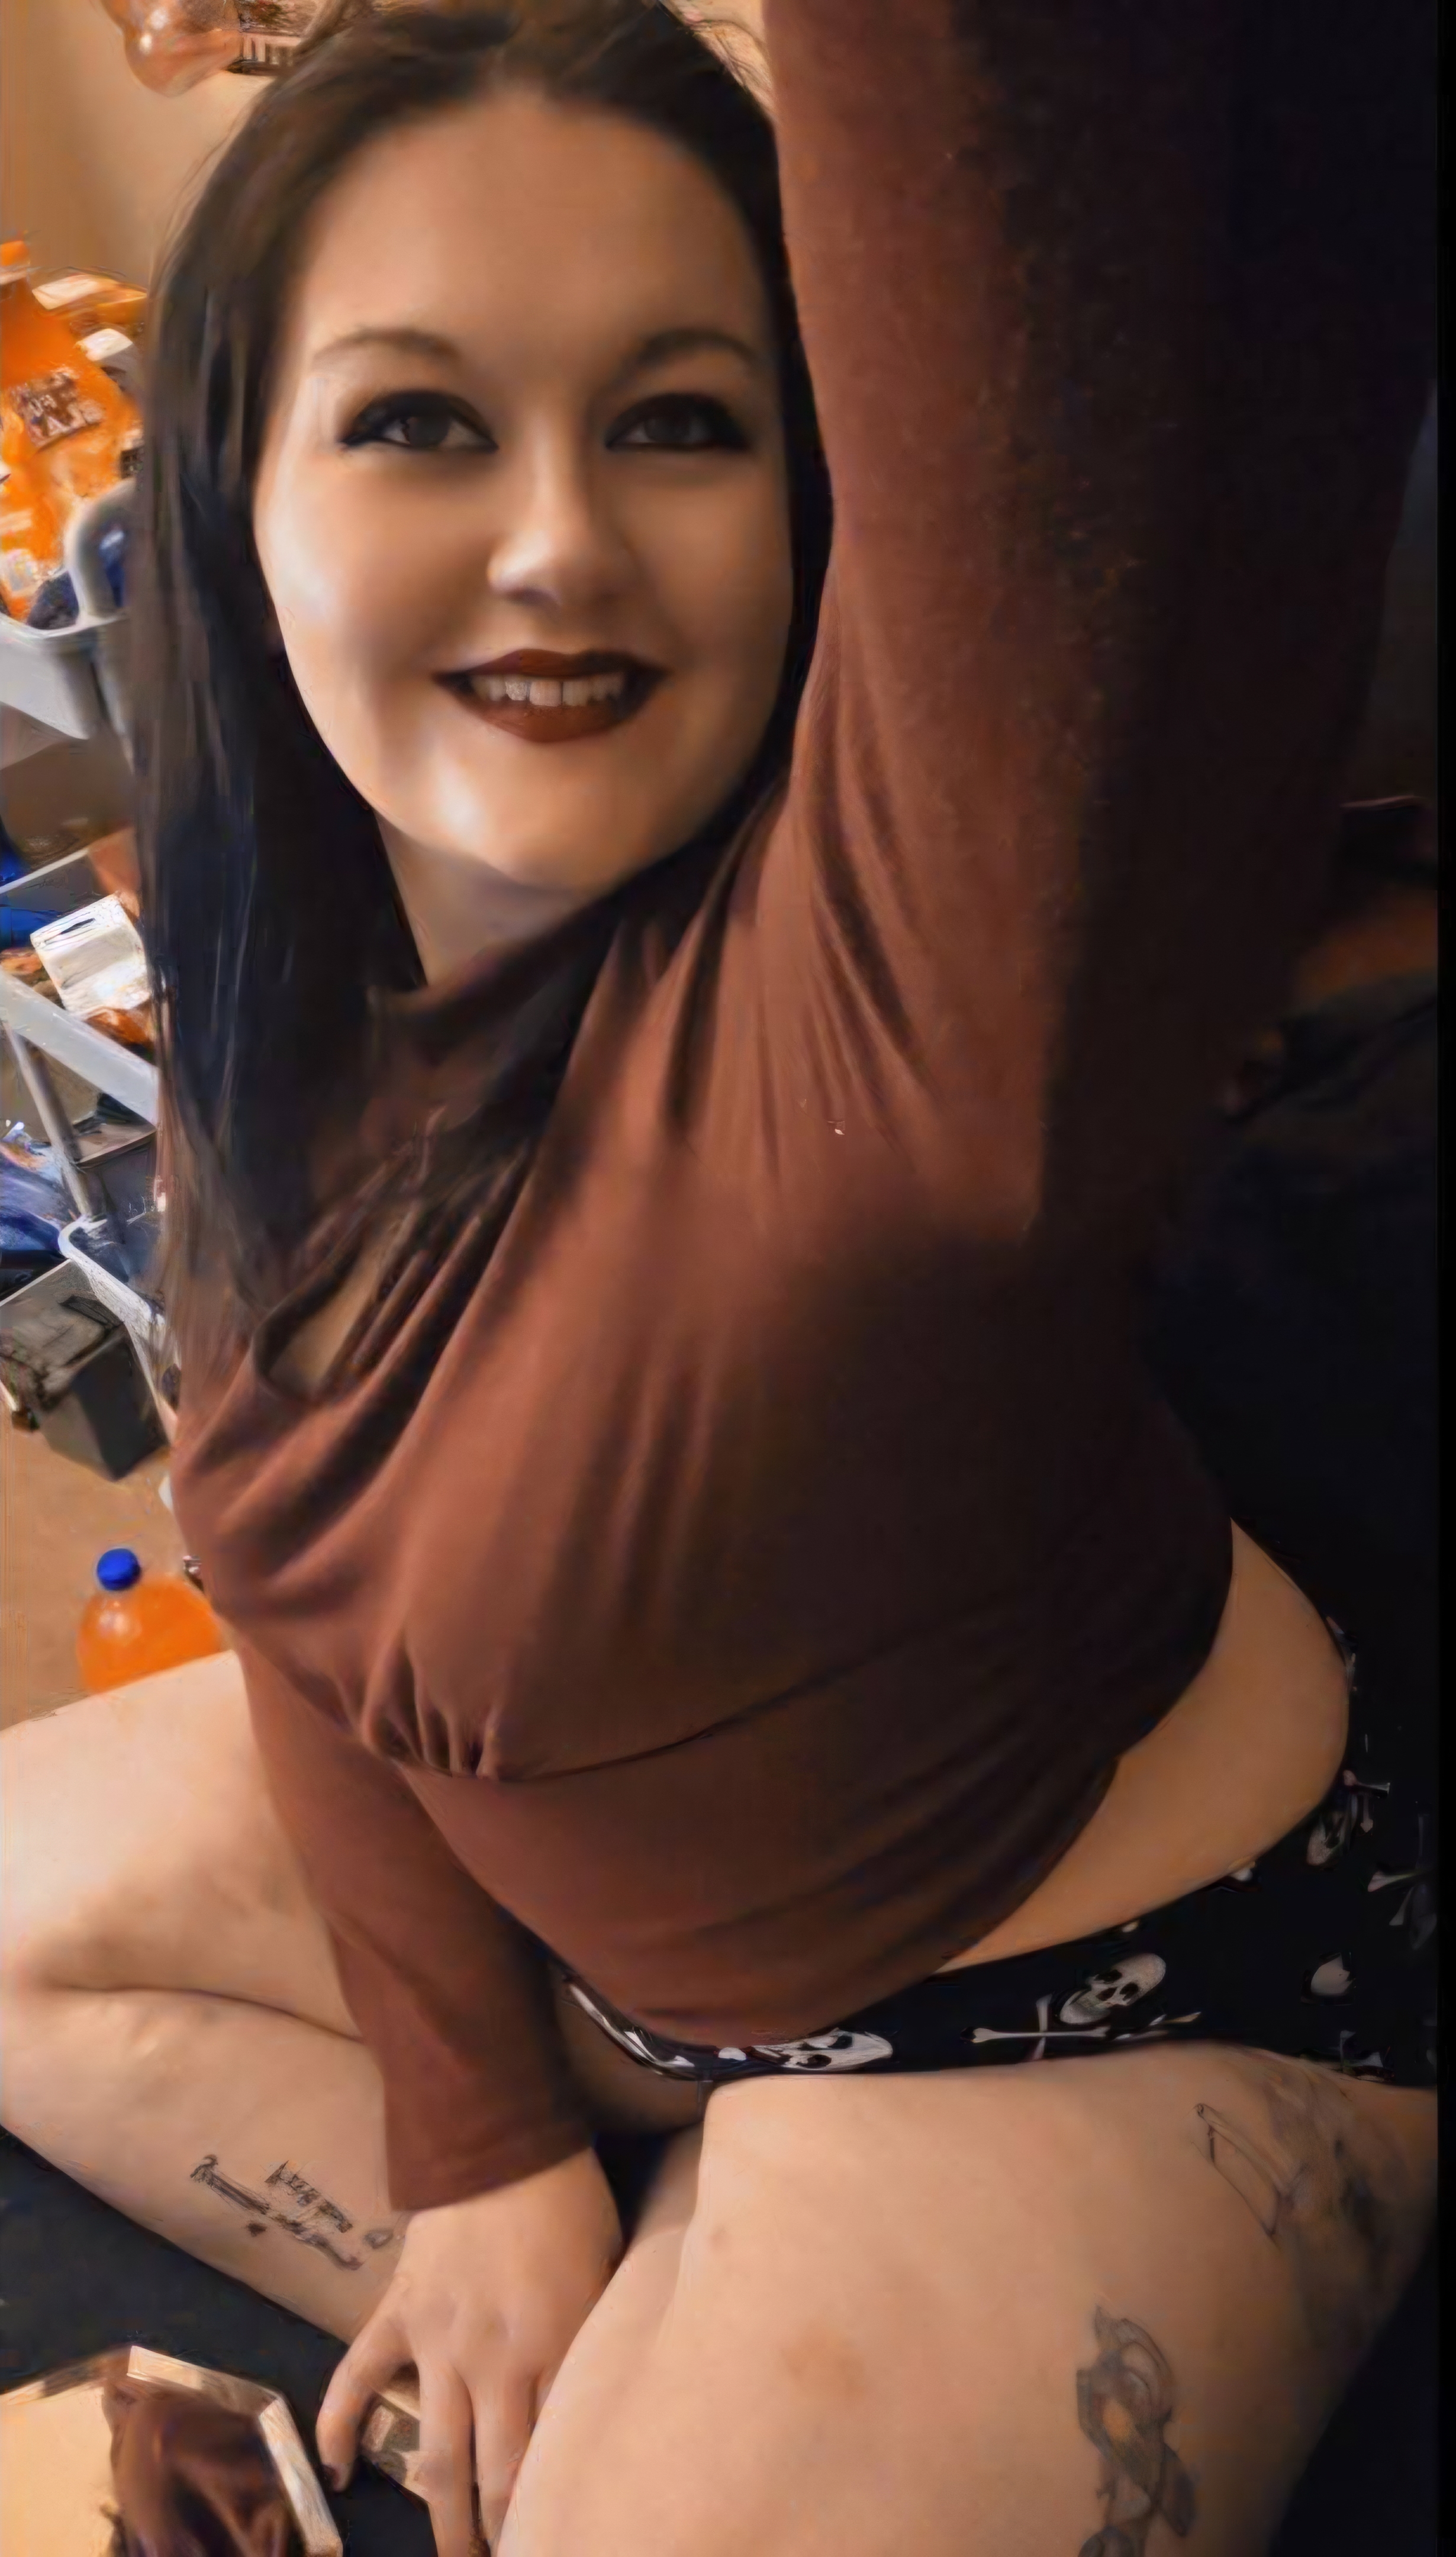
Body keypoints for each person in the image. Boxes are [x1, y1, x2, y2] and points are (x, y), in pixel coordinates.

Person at [0, 7, 1436, 2555]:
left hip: (1095, 2018)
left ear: (824, 501)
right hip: (630, 1976)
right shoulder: (283, 1002)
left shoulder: (910, 1020)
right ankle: (669, 2290)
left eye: (679, 422)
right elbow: (319, 1642)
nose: (558, 541)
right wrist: (473, 2153)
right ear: (232, 499)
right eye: (419, 420)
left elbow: (1019, 164)